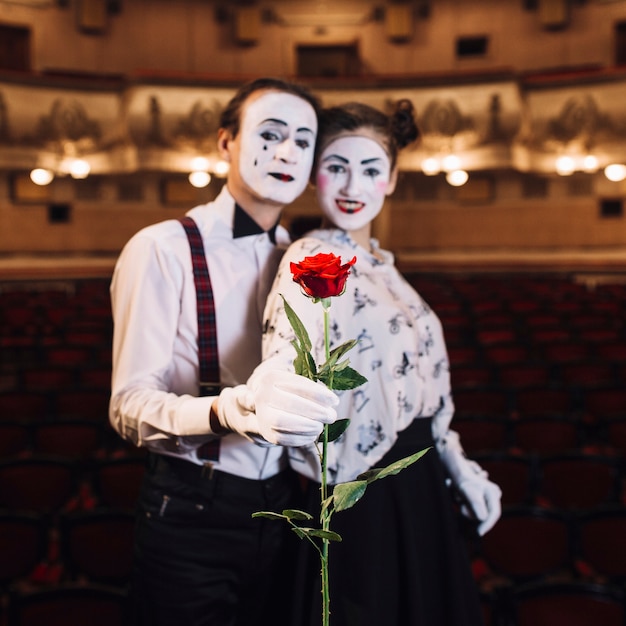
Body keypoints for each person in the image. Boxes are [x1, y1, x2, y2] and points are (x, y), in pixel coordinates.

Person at [257, 99, 502, 626]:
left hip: (420, 481)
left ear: (391, 179)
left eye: (370, 170)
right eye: (336, 168)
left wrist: (461, 470)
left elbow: (429, 397)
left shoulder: (387, 271)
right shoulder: (311, 257)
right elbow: (288, 363)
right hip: (361, 492)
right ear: (312, 177)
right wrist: (274, 391)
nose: (352, 187)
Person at [109, 77, 340, 626]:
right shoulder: (161, 248)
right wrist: (225, 410)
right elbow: (128, 405)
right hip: (193, 510)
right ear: (226, 143)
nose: (287, 152)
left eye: (303, 141)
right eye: (271, 134)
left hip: (289, 507)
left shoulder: (306, 260)